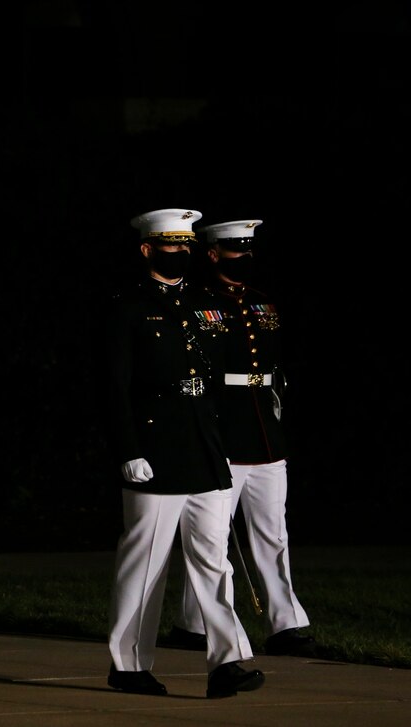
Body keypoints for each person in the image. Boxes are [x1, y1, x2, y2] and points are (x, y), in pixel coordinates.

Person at [102, 208, 264, 699]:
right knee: (145, 562)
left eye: (186, 245)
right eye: (171, 246)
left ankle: (227, 663)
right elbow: (113, 386)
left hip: (204, 448)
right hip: (156, 449)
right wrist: (128, 449)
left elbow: (215, 380)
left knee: (215, 561)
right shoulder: (126, 305)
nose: (181, 253)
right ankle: (128, 665)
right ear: (148, 249)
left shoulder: (200, 301)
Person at [165, 219, 315, 657]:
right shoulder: (195, 303)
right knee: (211, 539)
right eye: (235, 250)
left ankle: (285, 624)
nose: (245, 257)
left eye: (249, 249)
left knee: (273, 532)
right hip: (223, 429)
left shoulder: (263, 302)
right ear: (213, 254)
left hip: (265, 433)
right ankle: (194, 624)